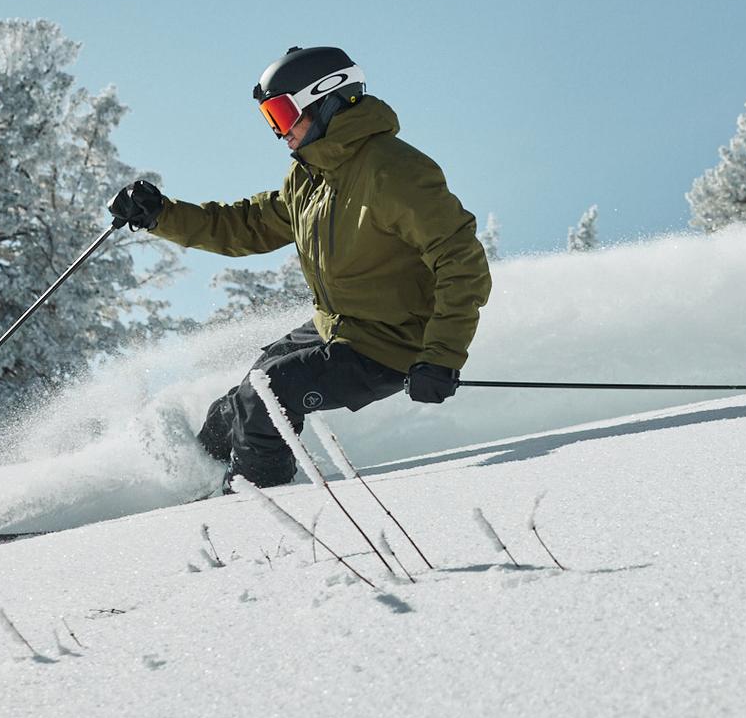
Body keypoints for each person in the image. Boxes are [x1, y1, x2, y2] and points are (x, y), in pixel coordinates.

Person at [107, 45, 492, 488]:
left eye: (283, 114)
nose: (279, 132)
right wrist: (161, 215)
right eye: (270, 118)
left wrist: (441, 356)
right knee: (239, 401)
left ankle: (257, 504)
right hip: (338, 328)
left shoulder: (393, 171)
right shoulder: (311, 177)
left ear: (327, 99)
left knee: (270, 389)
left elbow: (461, 260)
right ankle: (196, 480)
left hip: (392, 344)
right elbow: (248, 225)